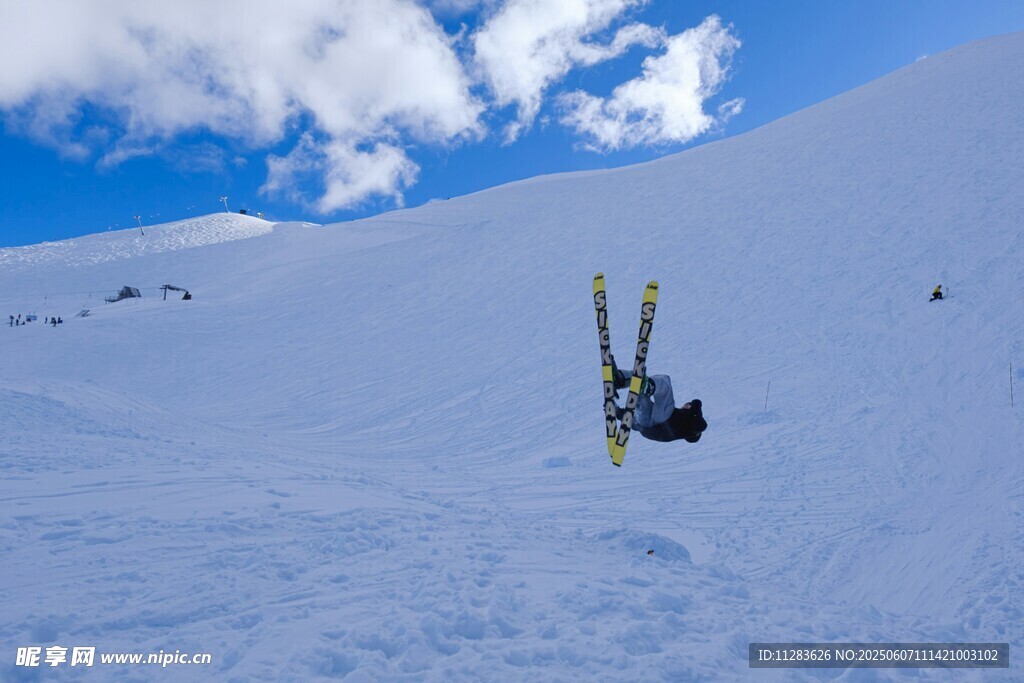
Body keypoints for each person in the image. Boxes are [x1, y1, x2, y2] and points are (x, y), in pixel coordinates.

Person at [611, 357, 707, 443]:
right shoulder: (675, 429)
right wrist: (618, 412)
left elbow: (701, 424)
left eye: (688, 405)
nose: (686, 405)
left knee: (666, 383)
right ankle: (620, 379)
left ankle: (648, 386)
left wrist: (695, 406)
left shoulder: (690, 429)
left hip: (661, 421)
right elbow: (635, 424)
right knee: (639, 384)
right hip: (644, 426)